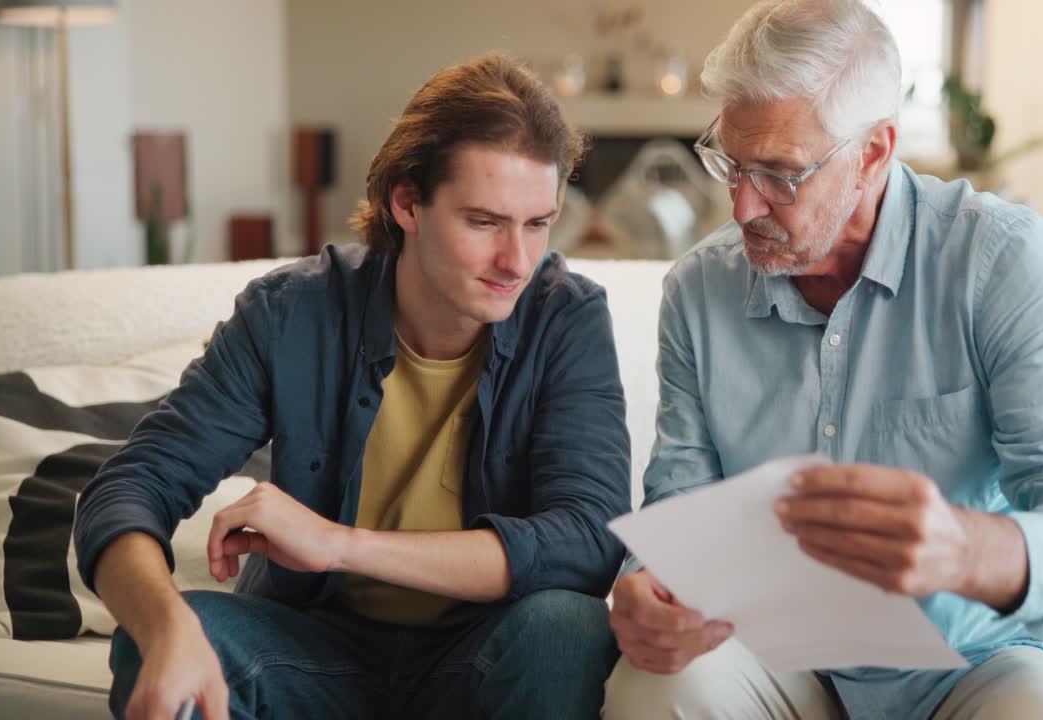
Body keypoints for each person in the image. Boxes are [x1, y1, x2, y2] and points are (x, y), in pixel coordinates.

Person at [602, 2, 1043, 719]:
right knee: (653, 688)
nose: (741, 207)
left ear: (876, 152)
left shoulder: (1002, 262)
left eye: (780, 173)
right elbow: (682, 502)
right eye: (730, 164)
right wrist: (649, 587)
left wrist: (967, 551)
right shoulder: (700, 291)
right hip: (777, 653)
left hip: (981, 658)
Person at [74, 52, 630, 720]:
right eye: (484, 222)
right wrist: (165, 628)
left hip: (482, 656)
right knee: (159, 646)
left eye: (538, 224)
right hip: (310, 650)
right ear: (407, 203)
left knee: (568, 631)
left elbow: (588, 539)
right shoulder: (290, 312)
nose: (517, 261)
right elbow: (131, 486)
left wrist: (336, 543)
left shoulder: (566, 317)